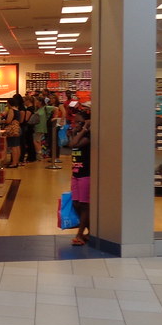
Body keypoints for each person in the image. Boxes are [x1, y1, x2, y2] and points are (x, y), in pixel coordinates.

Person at [69, 105, 91, 245]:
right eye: (74, 122)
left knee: (84, 204)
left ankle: (79, 234)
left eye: (79, 122)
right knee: (76, 203)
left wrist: (83, 130)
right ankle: (91, 231)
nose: (75, 124)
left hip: (85, 174)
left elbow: (74, 144)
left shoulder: (88, 136)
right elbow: (71, 142)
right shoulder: (78, 134)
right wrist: (74, 132)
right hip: (75, 173)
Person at [2, 93, 25, 167]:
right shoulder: (17, 109)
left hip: (12, 130)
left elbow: (9, 121)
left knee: (13, 146)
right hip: (17, 129)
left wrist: (3, 121)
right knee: (17, 146)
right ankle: (16, 161)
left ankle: (14, 163)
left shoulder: (11, 110)